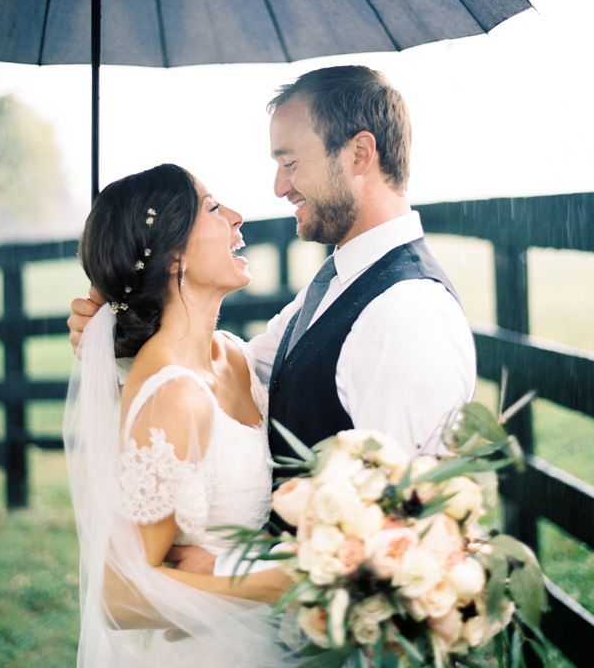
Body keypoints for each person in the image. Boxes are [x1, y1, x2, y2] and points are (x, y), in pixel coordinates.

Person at [68, 65, 476, 572]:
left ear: (359, 154)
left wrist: (224, 571)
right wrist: (117, 338)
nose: (279, 186)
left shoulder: (405, 314)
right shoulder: (337, 283)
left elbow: (400, 538)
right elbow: (234, 376)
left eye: (290, 162)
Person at [64, 163, 296, 667]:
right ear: (172, 258)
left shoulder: (233, 357)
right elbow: (119, 596)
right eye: (213, 208)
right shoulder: (174, 396)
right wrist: (272, 582)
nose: (236, 217)